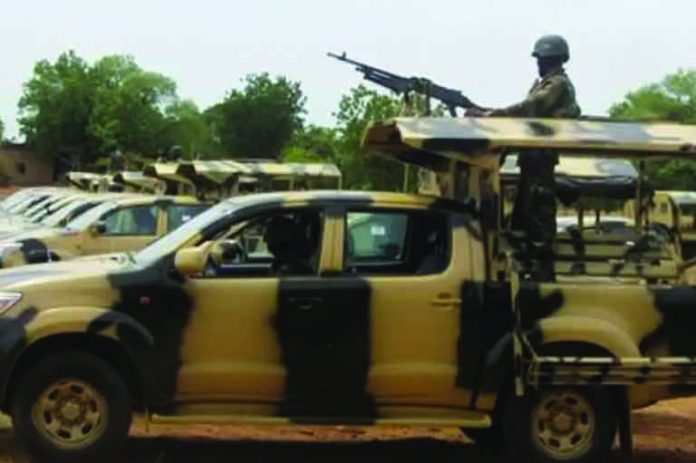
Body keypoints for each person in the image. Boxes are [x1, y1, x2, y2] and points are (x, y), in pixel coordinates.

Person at [469, 34, 581, 280]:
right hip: (532, 159)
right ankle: (528, 266)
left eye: (540, 60)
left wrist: (492, 115)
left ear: (551, 60)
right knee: (523, 217)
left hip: (541, 158)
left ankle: (541, 272)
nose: (538, 64)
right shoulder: (546, 84)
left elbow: (529, 108)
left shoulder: (558, 84)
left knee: (538, 213)